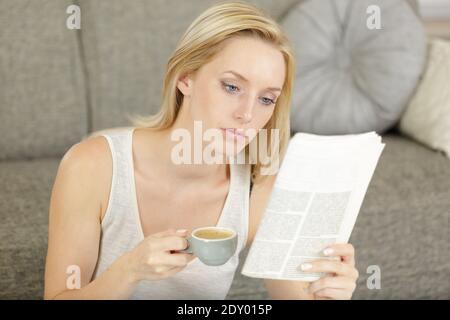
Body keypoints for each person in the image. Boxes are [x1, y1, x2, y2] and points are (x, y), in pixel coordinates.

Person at [44, 1, 358, 300]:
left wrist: (326, 292)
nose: (247, 114)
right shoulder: (91, 166)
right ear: (186, 79)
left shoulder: (258, 185)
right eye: (232, 87)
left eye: (266, 99)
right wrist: (129, 270)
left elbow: (294, 294)